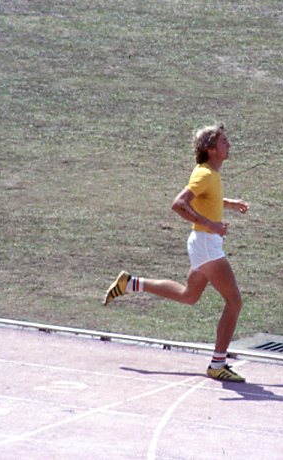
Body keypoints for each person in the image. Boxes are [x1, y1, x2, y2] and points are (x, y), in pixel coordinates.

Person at [103, 123, 250, 383]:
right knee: (234, 302)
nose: (230, 145)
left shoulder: (210, 174)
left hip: (203, 243)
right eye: (225, 141)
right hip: (206, 243)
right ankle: (218, 364)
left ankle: (130, 284)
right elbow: (179, 204)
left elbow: (207, 198)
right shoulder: (205, 174)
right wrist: (212, 225)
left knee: (189, 295)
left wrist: (229, 204)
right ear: (211, 149)